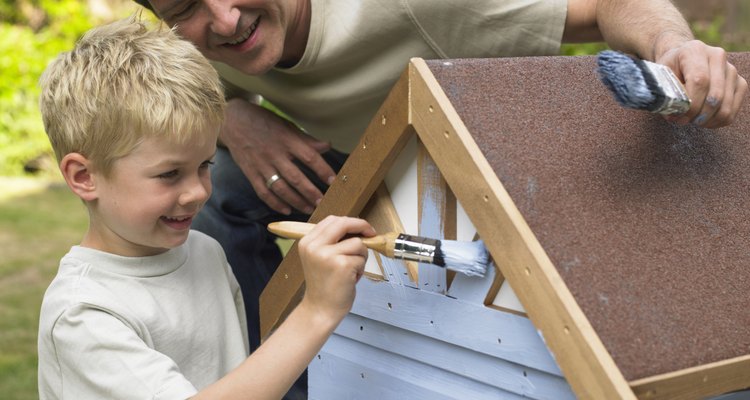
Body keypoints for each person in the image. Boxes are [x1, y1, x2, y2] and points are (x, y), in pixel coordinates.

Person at [132, 0, 749, 395]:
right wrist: (235, 119)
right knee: (226, 196)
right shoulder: (185, 42)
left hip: (492, 153)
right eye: (187, 6)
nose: (225, 19)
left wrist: (672, 47)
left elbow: (610, 4)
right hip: (348, 153)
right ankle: (269, 379)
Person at [37, 16, 373, 399]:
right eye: (169, 174)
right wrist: (317, 311)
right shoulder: (84, 313)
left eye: (205, 165)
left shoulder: (205, 251)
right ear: (83, 176)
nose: (197, 192)